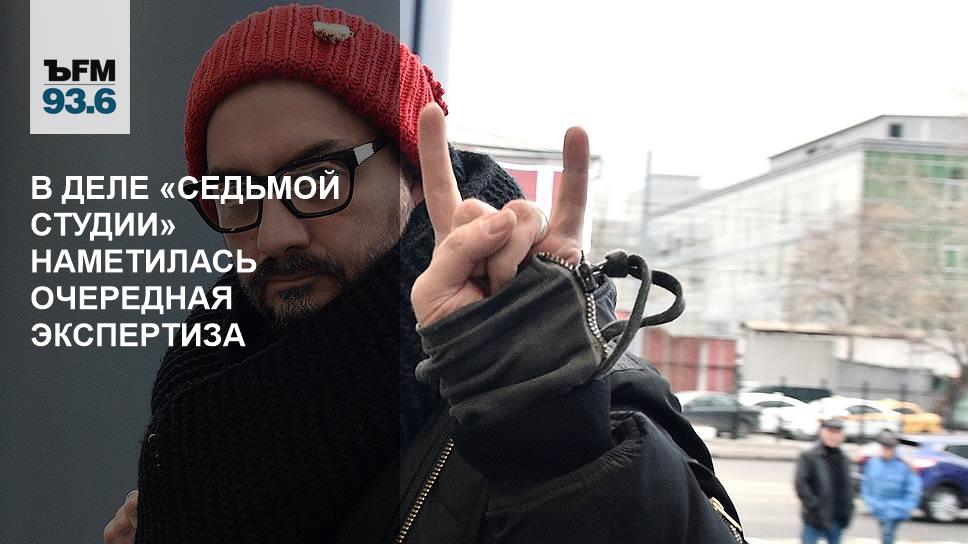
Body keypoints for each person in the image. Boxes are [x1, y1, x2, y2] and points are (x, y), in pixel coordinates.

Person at [103, 5, 747, 543]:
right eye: (236, 191)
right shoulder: (215, 379)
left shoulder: (558, 372)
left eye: (319, 176)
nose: (274, 235)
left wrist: (552, 441)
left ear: (414, 173)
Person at [795, 419, 854, 544]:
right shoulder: (810, 456)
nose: (833, 436)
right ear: (822, 433)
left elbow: (848, 487)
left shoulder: (844, 458)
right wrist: (814, 506)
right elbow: (801, 484)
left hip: (837, 517)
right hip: (815, 518)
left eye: (837, 432)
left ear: (842, 436)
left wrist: (848, 509)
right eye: (830, 432)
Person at [861, 434, 923, 544]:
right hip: (879, 507)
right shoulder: (874, 463)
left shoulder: (904, 465)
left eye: (889, 448)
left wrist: (906, 506)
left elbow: (913, 488)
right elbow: (867, 484)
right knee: (886, 534)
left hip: (897, 508)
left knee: (888, 533)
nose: (886, 451)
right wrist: (871, 502)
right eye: (884, 448)